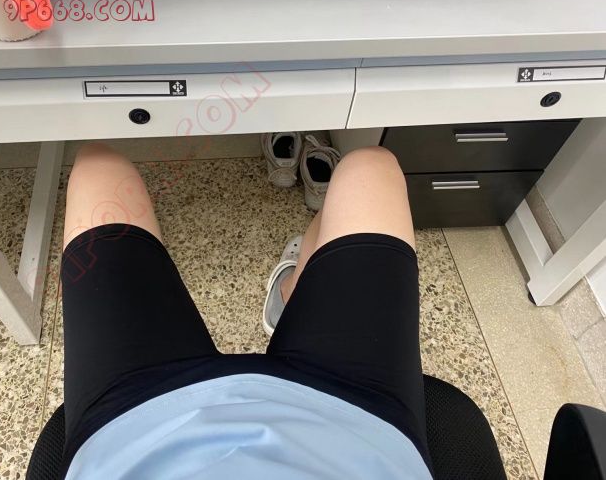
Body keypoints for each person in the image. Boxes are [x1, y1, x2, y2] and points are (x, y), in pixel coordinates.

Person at [60, 142, 432, 479]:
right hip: (355, 428)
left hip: (133, 433)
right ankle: (294, 293)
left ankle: (298, 295)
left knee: (97, 165)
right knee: (371, 167)